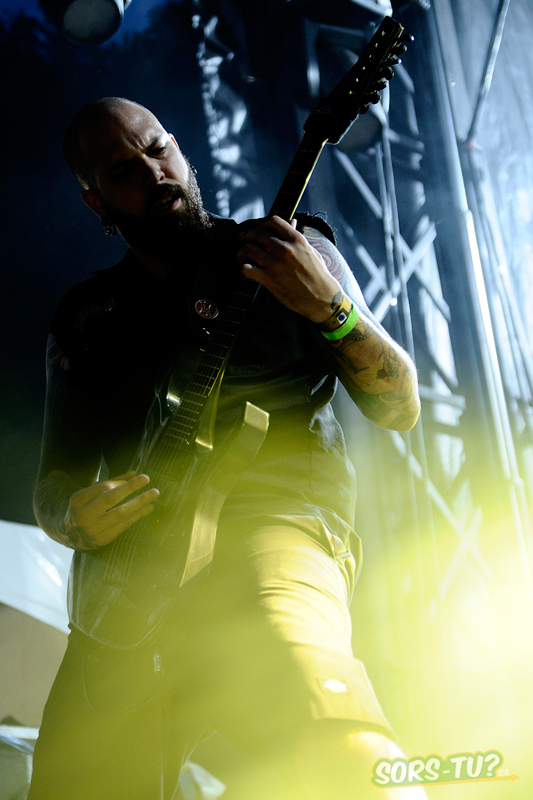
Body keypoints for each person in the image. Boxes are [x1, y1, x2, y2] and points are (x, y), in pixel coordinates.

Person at [28, 96, 425, 800]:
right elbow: (52, 483)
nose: (153, 172)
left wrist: (328, 308)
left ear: (179, 149)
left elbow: (399, 407)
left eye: (157, 148)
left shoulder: (289, 252)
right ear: (96, 203)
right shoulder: (87, 318)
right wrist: (73, 519)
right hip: (129, 583)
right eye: (124, 170)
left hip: (273, 528)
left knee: (329, 725)